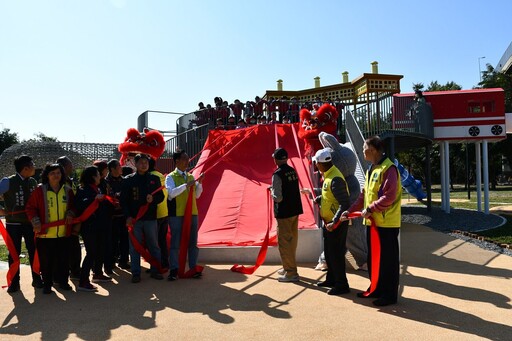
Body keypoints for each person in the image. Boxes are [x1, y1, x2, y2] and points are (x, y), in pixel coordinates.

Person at [341, 136, 402, 307]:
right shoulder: (371, 169)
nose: (362, 150)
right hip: (373, 223)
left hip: (386, 224)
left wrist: (371, 209)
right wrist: (350, 210)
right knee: (374, 258)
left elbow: (389, 196)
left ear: (373, 150)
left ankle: (389, 295)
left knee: (388, 261)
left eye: (364, 147)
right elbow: (363, 196)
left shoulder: (389, 168)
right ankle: (375, 288)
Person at [301, 148, 351, 295]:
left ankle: (342, 284)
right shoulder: (329, 176)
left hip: (336, 224)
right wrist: (317, 196)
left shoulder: (335, 178)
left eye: (316, 162)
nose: (315, 165)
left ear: (321, 163)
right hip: (329, 223)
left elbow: (344, 203)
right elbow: (329, 195)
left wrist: (334, 222)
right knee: (329, 253)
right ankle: (332, 279)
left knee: (336, 254)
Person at [26, 163, 76, 294]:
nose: (56, 175)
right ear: (47, 175)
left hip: (63, 234)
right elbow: (30, 208)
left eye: (58, 173)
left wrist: (71, 213)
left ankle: (63, 282)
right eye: (52, 173)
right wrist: (35, 221)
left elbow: (73, 207)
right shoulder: (39, 190)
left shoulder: (67, 190)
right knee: (46, 261)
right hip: (45, 235)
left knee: (63, 260)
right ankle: (47, 284)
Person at [0, 155, 43, 293]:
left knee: (34, 251)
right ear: (26, 168)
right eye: (32, 164)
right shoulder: (8, 181)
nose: (34, 167)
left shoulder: (32, 182)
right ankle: (14, 282)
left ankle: (36, 279)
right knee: (14, 253)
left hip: (31, 223)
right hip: (14, 224)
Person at [120, 154, 165, 283]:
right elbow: (124, 201)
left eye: (146, 162)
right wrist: (128, 216)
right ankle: (135, 272)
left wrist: (154, 199)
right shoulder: (128, 180)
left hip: (150, 218)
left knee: (154, 245)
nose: (144, 164)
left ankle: (156, 269)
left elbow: (161, 197)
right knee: (135, 247)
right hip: (135, 220)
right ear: (135, 164)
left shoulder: (154, 179)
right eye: (141, 162)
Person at [165, 150, 204, 281]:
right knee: (175, 243)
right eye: (184, 159)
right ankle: (174, 269)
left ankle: (193, 268)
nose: (187, 161)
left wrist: (200, 183)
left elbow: (197, 195)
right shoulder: (170, 177)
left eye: (187, 159)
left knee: (193, 242)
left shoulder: (191, 176)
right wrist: (185, 185)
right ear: (176, 161)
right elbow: (171, 193)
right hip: (177, 214)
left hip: (192, 213)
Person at [75, 166, 111, 292]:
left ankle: (97, 273)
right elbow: (80, 205)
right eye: (97, 175)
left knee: (101, 250)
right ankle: (83, 281)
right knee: (91, 253)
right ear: (92, 177)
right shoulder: (82, 189)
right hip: (89, 227)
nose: (99, 177)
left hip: (101, 225)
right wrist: (94, 199)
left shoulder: (99, 187)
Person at [270, 148, 303, 283]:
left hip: (284, 213)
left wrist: (272, 191)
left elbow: (278, 198)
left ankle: (291, 272)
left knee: (284, 243)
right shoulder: (292, 171)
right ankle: (288, 267)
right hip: (295, 210)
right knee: (292, 240)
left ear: (276, 160)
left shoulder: (277, 174)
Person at [56, 156, 81, 280]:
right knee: (61, 249)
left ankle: (75, 270)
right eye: (70, 164)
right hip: (59, 221)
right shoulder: (57, 183)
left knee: (74, 246)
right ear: (65, 166)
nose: (72, 166)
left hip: (72, 219)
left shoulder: (70, 181)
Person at [105, 159, 130, 270]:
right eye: (119, 166)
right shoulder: (105, 182)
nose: (121, 168)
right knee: (112, 241)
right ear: (112, 169)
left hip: (123, 215)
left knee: (125, 239)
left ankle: (123, 261)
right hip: (111, 217)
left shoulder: (124, 181)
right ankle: (111, 262)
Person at [149, 157, 170, 270]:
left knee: (154, 243)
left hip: (155, 214)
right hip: (165, 212)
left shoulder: (149, 178)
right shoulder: (161, 175)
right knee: (162, 240)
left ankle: (156, 265)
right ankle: (165, 263)